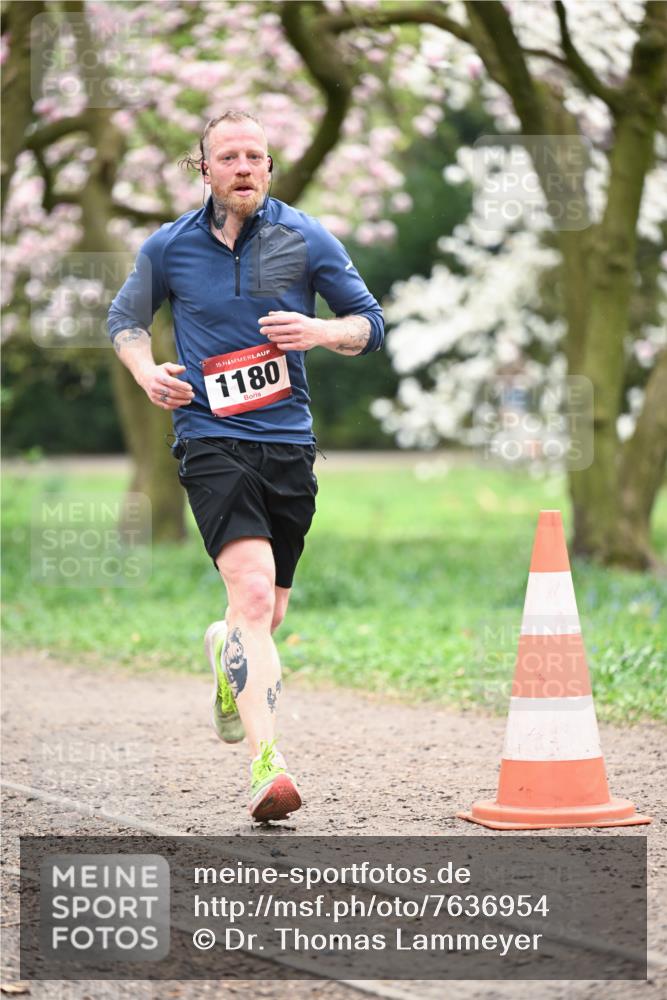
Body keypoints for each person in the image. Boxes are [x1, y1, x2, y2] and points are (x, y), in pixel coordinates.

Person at [107, 110, 384, 823]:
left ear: (268, 167)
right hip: (210, 438)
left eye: (254, 156)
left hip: (287, 443)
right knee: (254, 596)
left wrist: (319, 330)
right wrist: (146, 371)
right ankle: (268, 765)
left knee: (266, 613)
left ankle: (223, 651)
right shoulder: (169, 246)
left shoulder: (305, 237)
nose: (243, 167)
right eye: (228, 156)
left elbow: (369, 324)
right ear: (203, 168)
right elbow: (125, 321)